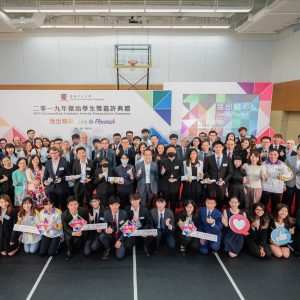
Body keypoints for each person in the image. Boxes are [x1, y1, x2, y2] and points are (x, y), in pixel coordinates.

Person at [203, 141, 233, 209]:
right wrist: (208, 178)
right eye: (216, 147)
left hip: (222, 184)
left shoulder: (228, 159)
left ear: (223, 147)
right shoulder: (208, 158)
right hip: (211, 184)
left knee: (220, 201)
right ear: (213, 148)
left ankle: (218, 214)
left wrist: (224, 181)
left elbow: (230, 173)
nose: (218, 148)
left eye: (219, 147)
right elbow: (205, 171)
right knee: (210, 200)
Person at [100, 195, 128, 260]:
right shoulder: (106, 213)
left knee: (120, 256)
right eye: (112, 205)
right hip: (111, 236)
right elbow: (105, 226)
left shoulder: (124, 213)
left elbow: (127, 229)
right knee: (102, 236)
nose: (114, 207)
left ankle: (118, 245)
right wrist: (106, 230)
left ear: (119, 205)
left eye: (116, 205)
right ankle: (108, 248)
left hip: (120, 235)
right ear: (109, 206)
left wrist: (120, 240)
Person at [43, 146, 71, 211]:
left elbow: (69, 175)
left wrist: (62, 179)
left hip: (62, 188)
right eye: (52, 153)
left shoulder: (65, 162)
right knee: (53, 207)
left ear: (58, 153)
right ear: (49, 154)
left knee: (63, 206)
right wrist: (45, 181)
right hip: (51, 189)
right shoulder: (47, 163)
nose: (54, 155)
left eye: (55, 153)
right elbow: (45, 176)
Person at [62, 196, 89, 262]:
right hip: (71, 232)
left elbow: (87, 222)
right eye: (71, 205)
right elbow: (65, 228)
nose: (73, 206)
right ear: (68, 206)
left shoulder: (83, 211)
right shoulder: (64, 215)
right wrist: (74, 233)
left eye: (75, 204)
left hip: (81, 231)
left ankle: (80, 246)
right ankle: (69, 250)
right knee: (69, 238)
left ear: (78, 204)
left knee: (81, 245)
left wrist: (90, 221)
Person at [158, 145, 183, 212]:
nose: (170, 151)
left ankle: (172, 217)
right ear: (166, 152)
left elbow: (182, 174)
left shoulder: (180, 161)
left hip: (175, 187)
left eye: (172, 150)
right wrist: (162, 173)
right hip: (165, 186)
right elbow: (159, 175)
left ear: (175, 151)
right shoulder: (162, 161)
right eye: (169, 150)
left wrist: (176, 179)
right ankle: (164, 216)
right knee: (164, 204)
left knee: (173, 204)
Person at [283, 144, 300, 215]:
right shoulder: (289, 158)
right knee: (287, 201)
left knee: (298, 202)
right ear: (297, 150)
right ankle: (287, 215)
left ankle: (296, 217)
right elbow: (283, 171)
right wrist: (283, 184)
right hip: (290, 183)